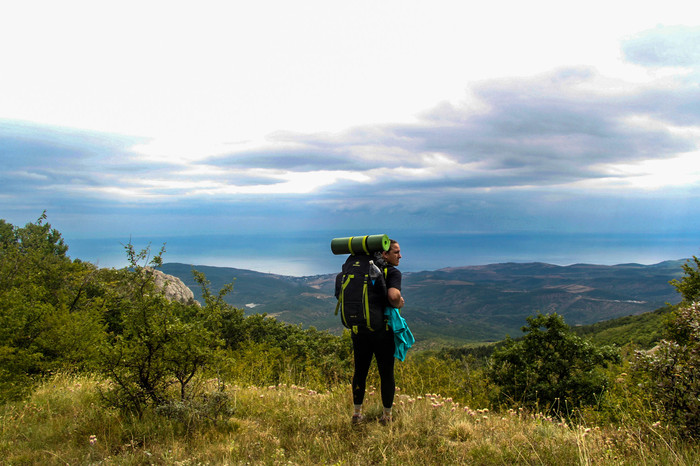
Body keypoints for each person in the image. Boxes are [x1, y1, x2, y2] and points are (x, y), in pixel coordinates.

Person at [350, 239, 403, 425]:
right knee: (386, 373)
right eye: (396, 252)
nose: (400, 256)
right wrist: (399, 302)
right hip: (383, 331)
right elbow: (393, 296)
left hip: (360, 329)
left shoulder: (357, 269)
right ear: (384, 254)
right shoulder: (392, 272)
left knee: (360, 372)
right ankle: (386, 416)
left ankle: (357, 414)